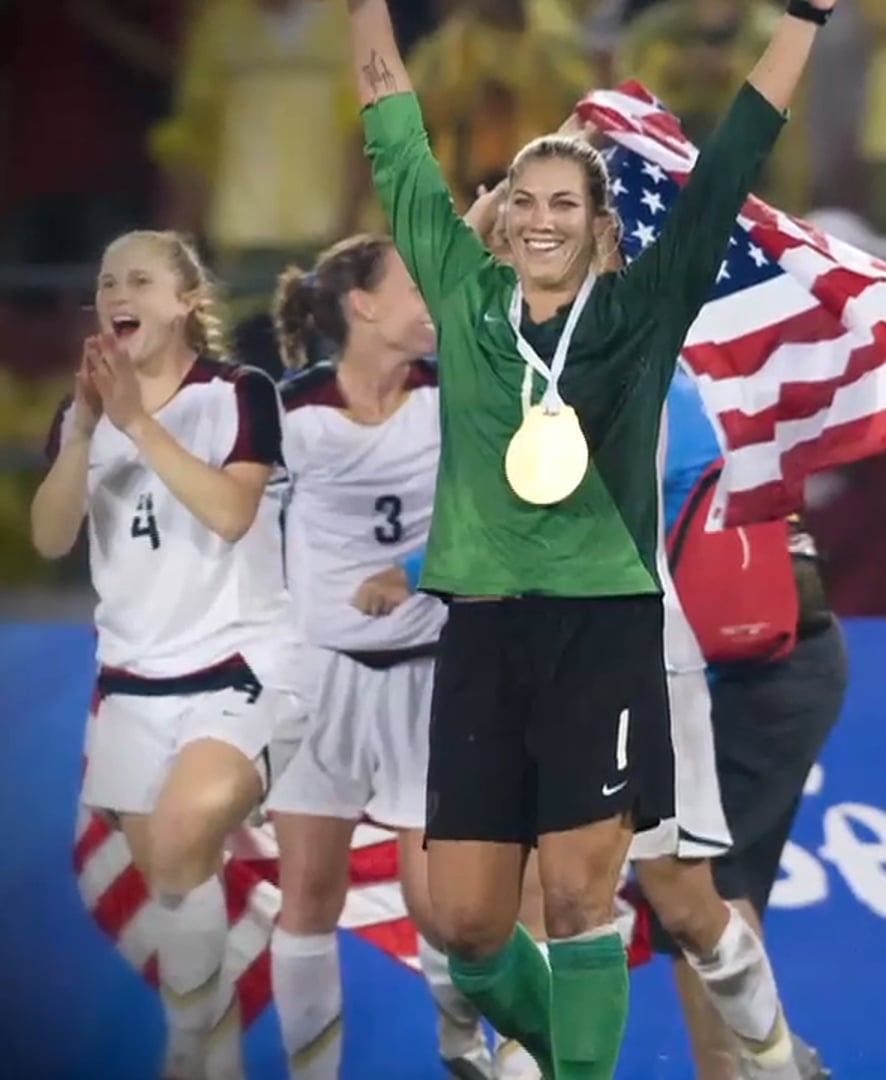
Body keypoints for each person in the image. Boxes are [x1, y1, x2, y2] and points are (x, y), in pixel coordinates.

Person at [348, 0, 833, 1076]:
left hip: (602, 634)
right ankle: (565, 1052)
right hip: (482, 640)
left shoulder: (637, 316)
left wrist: (804, 19)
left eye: (564, 201)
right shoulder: (465, 300)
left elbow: (733, 161)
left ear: (599, 225)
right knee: (469, 932)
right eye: (523, 199)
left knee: (578, 902)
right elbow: (393, 132)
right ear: (501, 219)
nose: (540, 218)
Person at [29, 229, 303, 1078]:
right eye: (107, 280)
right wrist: (85, 430)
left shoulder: (240, 394)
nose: (118, 292)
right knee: (177, 884)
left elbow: (231, 512)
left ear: (186, 302)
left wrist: (138, 424)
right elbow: (49, 538)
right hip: (133, 687)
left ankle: (189, 1047)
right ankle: (213, 1054)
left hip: (243, 670)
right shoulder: (83, 416)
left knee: (184, 832)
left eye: (141, 279)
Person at [265, 233, 521, 1080]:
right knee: (308, 894)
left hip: (433, 675)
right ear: (363, 306)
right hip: (323, 678)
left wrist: (410, 574)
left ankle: (459, 1040)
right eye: (414, 287)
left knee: (445, 909)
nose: (432, 301)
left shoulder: (455, 392)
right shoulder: (287, 415)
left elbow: (507, 511)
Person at [645, 367, 846, 1080]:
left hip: (751, 674)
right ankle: (764, 1067)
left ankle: (762, 1069)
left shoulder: (653, 392)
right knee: (711, 889)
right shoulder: (716, 376)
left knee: (692, 886)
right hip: (779, 657)